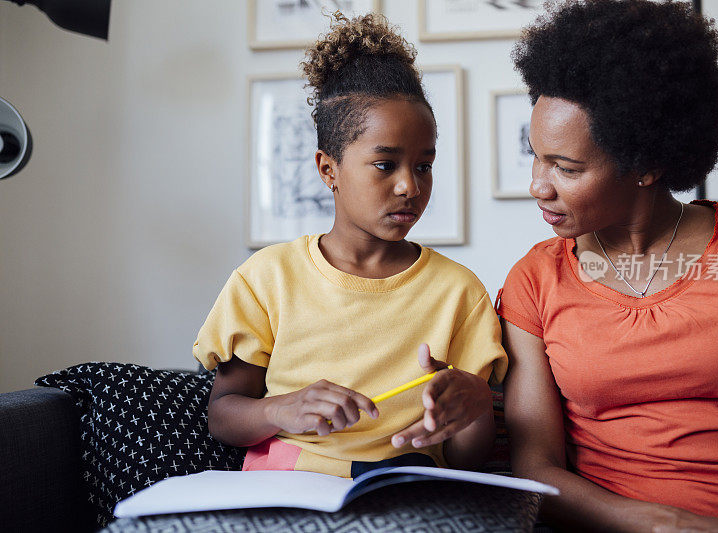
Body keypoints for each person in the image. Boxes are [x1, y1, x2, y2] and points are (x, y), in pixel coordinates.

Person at [497, 0, 718, 531]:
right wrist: (665, 524)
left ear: (647, 164)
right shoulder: (536, 281)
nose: (538, 186)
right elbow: (534, 468)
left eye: (565, 167)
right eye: (536, 156)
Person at [192, 13, 507, 479]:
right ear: (328, 169)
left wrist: (477, 407)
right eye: (385, 165)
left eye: (424, 166)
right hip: (292, 487)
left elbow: (468, 458)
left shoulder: (458, 292)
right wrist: (281, 408)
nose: (410, 187)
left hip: (409, 490)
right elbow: (222, 414)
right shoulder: (266, 277)